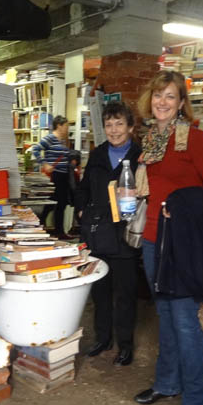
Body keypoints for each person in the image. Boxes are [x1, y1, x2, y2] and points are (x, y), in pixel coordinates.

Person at [132, 71, 203, 405]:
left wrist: (183, 209)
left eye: (170, 96)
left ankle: (197, 397)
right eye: (158, 95)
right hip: (153, 240)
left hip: (182, 244)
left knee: (185, 322)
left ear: (181, 102)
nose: (163, 102)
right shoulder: (152, 138)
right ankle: (167, 383)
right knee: (166, 318)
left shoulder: (195, 140)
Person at [75, 101, 142, 366]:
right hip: (98, 232)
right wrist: (81, 209)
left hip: (126, 233)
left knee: (125, 293)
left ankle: (125, 345)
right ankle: (103, 339)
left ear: (130, 127)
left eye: (119, 124)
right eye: (109, 124)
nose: (114, 130)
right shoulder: (98, 154)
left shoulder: (141, 155)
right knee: (100, 291)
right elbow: (83, 188)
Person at [32, 115, 73, 239]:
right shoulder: (50, 138)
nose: (67, 128)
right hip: (55, 176)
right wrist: (44, 163)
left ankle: (42, 225)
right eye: (66, 126)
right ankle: (56, 230)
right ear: (59, 126)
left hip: (64, 175)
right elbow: (36, 149)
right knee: (57, 203)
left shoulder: (63, 140)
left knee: (58, 203)